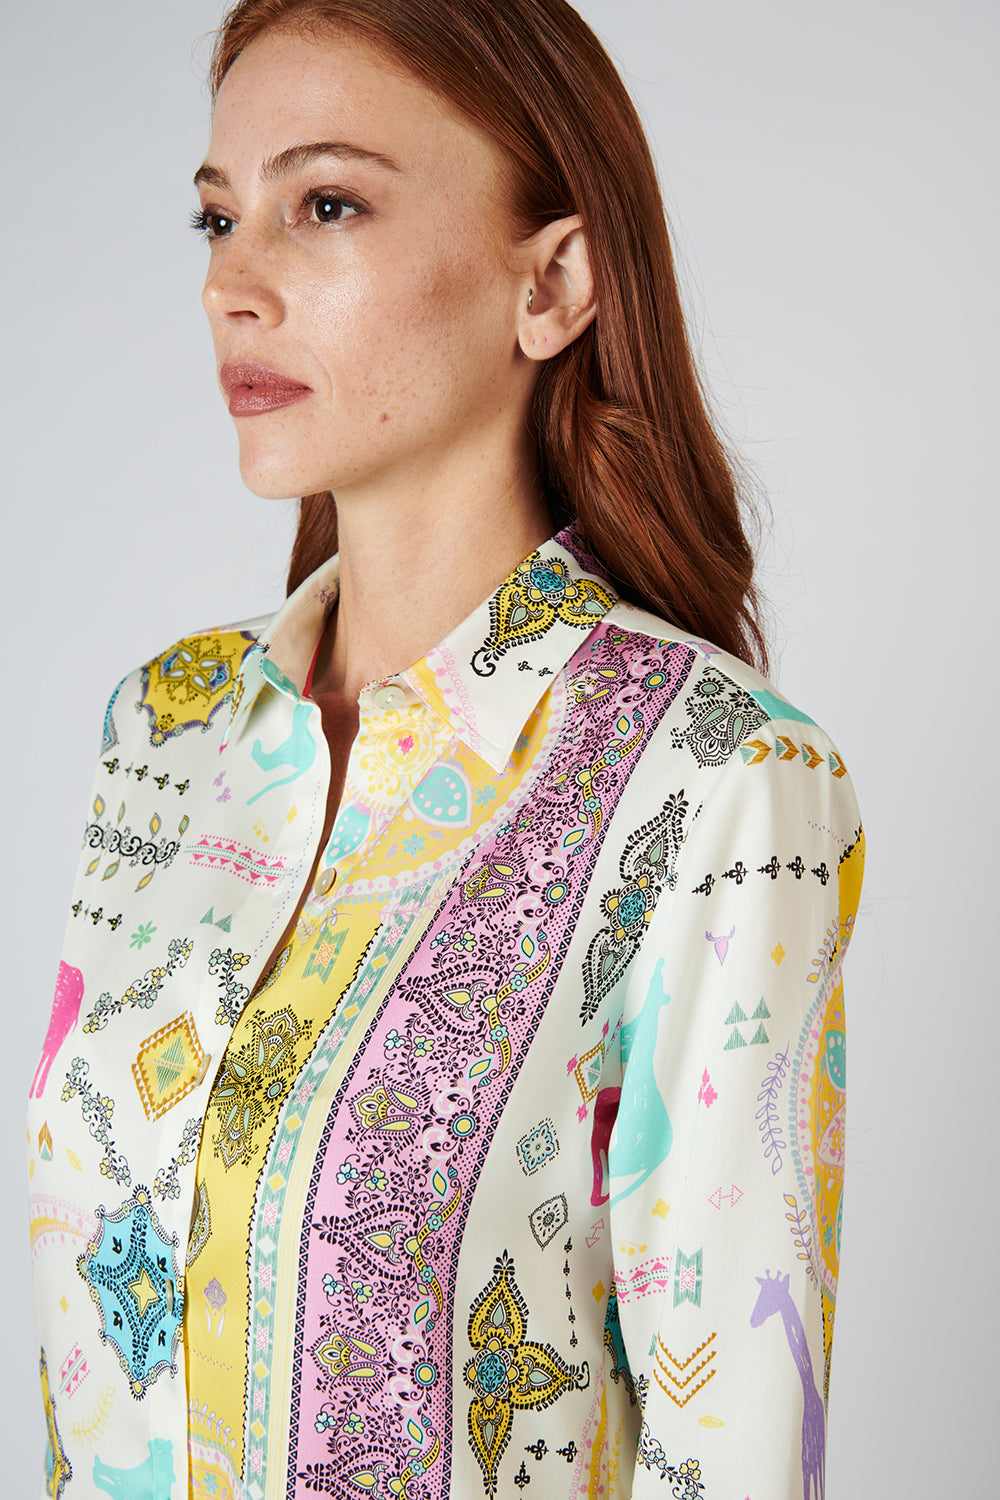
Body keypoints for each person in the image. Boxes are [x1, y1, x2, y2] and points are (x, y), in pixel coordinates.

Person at [25, 2, 863, 1497]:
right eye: (218, 217)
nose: (230, 284)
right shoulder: (165, 733)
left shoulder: (717, 782)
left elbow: (730, 1447)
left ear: (553, 285)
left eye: (325, 206)